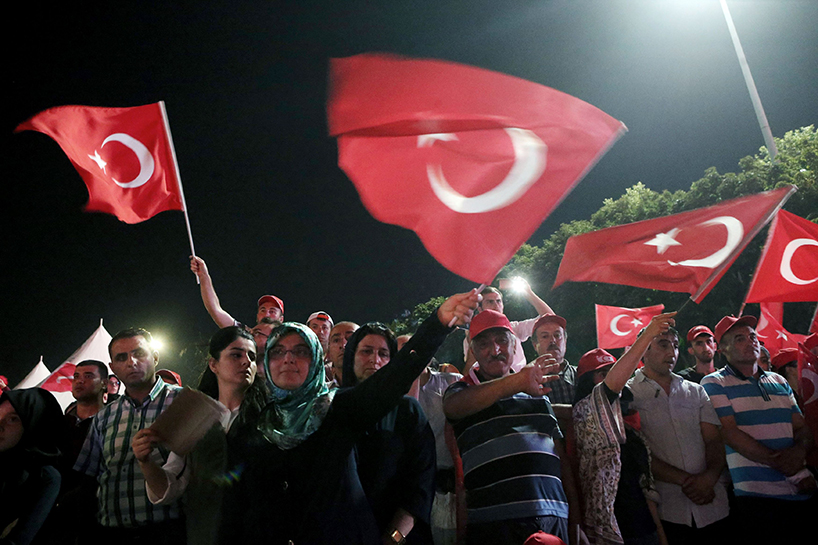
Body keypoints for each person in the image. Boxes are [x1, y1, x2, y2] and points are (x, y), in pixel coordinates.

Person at [218, 291, 479, 545]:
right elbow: (233, 511)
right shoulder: (252, 429)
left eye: (301, 351)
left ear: (317, 360)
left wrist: (438, 323)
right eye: (278, 351)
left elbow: (394, 378)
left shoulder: (340, 409)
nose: (288, 359)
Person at [444, 310, 582, 545]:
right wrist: (517, 381)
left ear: (515, 345)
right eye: (484, 344)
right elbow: (453, 408)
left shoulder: (538, 395)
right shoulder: (461, 391)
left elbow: (562, 462)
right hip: (493, 523)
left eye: (502, 340)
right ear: (472, 351)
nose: (495, 350)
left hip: (553, 518)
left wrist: (576, 523)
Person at [135, 326, 268, 545]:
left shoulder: (269, 417)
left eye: (252, 357)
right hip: (205, 535)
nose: (246, 362)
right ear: (213, 364)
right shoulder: (193, 416)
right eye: (236, 355)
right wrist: (145, 462)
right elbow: (170, 487)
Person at [701, 315, 815, 542]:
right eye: (740, 339)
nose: (750, 342)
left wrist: (800, 452)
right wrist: (789, 467)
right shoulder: (714, 383)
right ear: (722, 349)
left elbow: (801, 427)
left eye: (752, 336)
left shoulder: (779, 381)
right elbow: (729, 433)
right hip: (756, 496)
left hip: (801, 492)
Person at [572, 312, 676, 545]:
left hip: (644, 528)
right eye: (603, 374)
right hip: (609, 529)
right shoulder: (584, 410)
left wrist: (659, 534)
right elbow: (610, 387)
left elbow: (643, 487)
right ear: (587, 381)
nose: (611, 378)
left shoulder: (628, 429)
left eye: (613, 370)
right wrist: (648, 334)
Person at [73, 327, 184, 544]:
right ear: (113, 367)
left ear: (155, 357)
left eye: (139, 353)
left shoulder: (182, 403)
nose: (131, 362)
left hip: (168, 532)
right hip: (111, 534)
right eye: (121, 358)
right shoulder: (104, 417)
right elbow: (90, 479)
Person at [627, 327, 729, 545]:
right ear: (643, 349)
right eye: (663, 344)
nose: (671, 352)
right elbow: (638, 453)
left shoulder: (696, 391)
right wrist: (689, 482)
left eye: (675, 346)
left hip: (714, 503)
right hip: (667, 509)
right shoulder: (629, 394)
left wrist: (709, 478)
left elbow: (714, 440)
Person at [342, 323, 437, 545]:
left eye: (383, 354)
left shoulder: (408, 411)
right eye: (366, 351)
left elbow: (421, 482)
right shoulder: (334, 409)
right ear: (351, 357)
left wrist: (394, 537)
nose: (374, 359)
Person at [1, 388, 65, 545]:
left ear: (34, 425)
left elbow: (20, 538)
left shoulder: (44, 477)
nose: (0, 425)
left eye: (13, 419)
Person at [463, 281, 554, 373]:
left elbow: (551, 320)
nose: (496, 305)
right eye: (490, 302)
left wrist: (529, 294)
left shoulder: (514, 328)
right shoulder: (474, 335)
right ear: (480, 309)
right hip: (494, 381)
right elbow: (470, 372)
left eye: (498, 301)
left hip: (521, 379)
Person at [190, 255, 284, 328]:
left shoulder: (289, 341)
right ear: (257, 316)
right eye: (262, 310)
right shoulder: (246, 335)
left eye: (272, 311)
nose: (266, 314)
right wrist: (203, 275)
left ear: (281, 319)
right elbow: (215, 310)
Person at [531, 313, 576, 405]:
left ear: (565, 341)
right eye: (545, 336)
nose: (552, 340)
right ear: (535, 345)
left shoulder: (581, 375)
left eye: (557, 335)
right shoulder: (529, 381)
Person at [327, 321, 359, 386]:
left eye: (350, 339)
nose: (343, 345)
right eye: (336, 340)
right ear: (329, 351)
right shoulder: (321, 391)